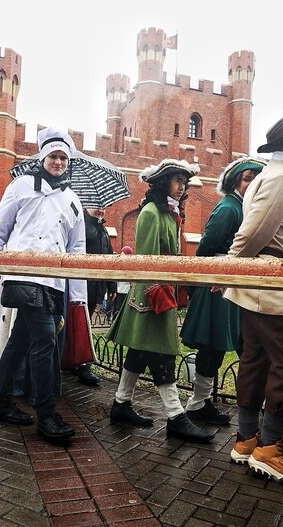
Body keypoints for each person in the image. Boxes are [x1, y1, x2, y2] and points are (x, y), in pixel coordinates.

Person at [224, 114, 283, 486]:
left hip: (261, 277)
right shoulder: (282, 177)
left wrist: (233, 271)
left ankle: (248, 439)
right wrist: (230, 269)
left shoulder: (275, 174)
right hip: (268, 278)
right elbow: (252, 232)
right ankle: (268, 448)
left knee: (257, 358)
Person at [0, 127, 86, 445]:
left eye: (63, 158)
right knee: (44, 341)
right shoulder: (21, 186)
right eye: (53, 156)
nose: (58, 162)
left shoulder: (73, 201)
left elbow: (77, 250)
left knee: (19, 341)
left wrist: (78, 296)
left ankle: (0, 403)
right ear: (43, 158)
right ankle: (46, 414)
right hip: (23, 275)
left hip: (53, 282)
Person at [107, 159, 216, 444]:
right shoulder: (152, 213)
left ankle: (121, 404)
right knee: (162, 354)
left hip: (163, 292)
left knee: (140, 353)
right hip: (152, 297)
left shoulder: (170, 214)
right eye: (177, 181)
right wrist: (156, 294)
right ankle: (176, 417)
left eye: (184, 182)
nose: (182, 187)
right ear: (163, 182)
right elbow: (146, 260)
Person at [180, 157, 264, 426]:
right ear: (235, 181)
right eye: (248, 177)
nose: (252, 183)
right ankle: (197, 405)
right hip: (217, 285)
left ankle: (202, 403)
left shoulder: (244, 208)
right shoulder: (229, 208)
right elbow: (206, 248)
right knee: (212, 346)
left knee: (220, 347)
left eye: (256, 179)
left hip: (231, 284)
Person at [74, 206, 117, 385]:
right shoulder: (81, 224)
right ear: (86, 206)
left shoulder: (102, 228)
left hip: (94, 288)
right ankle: (80, 365)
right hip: (80, 287)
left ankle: (79, 363)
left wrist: (111, 284)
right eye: (97, 207)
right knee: (78, 326)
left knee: (85, 324)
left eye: (103, 208)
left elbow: (108, 257)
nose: (101, 211)